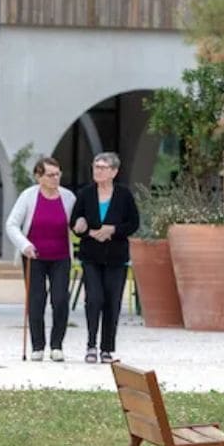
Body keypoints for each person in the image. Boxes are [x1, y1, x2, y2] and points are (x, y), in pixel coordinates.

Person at [5, 157, 76, 362]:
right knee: (36, 299)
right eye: (50, 175)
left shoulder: (68, 197)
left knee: (60, 299)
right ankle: (37, 346)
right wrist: (25, 245)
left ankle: (57, 345)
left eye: (58, 174)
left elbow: (75, 222)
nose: (55, 178)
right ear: (39, 177)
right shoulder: (28, 196)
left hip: (61, 256)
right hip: (34, 256)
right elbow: (12, 225)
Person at [70, 152, 139, 364]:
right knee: (94, 299)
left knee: (112, 302)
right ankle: (91, 345)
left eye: (103, 167)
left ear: (114, 172)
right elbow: (75, 221)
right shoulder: (85, 194)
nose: (98, 170)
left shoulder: (124, 195)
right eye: (96, 166)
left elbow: (133, 223)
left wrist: (113, 230)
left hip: (116, 257)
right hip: (91, 255)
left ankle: (107, 348)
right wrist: (83, 229)